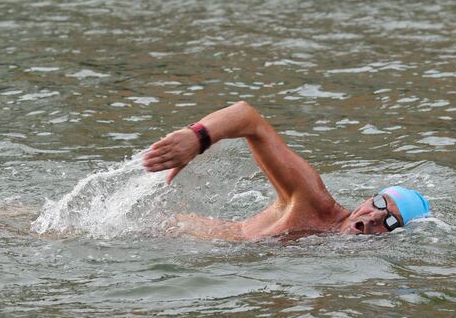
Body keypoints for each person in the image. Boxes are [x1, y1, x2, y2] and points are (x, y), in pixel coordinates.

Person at [142, 101, 430, 240]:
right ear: (369, 198)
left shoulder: (331, 246)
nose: (374, 218)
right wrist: (198, 137)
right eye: (380, 204)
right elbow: (247, 117)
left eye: (390, 222)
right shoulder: (313, 202)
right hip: (152, 231)